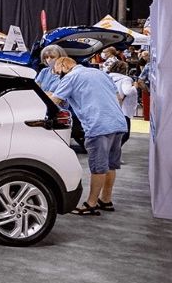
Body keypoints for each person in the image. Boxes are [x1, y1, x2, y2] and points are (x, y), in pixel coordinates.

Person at [49, 57, 128, 215]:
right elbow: (118, 97)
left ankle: (91, 204)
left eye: (58, 72)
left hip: (98, 125)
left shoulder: (70, 77)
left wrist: (45, 97)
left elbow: (54, 102)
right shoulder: (100, 73)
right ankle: (106, 200)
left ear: (64, 65)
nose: (58, 76)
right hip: (118, 123)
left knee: (98, 168)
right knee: (110, 165)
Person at [107, 61, 137, 145]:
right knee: (125, 135)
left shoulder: (107, 77)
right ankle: (114, 151)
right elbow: (127, 91)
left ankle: (111, 150)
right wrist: (135, 87)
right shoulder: (126, 79)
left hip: (109, 108)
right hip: (122, 110)